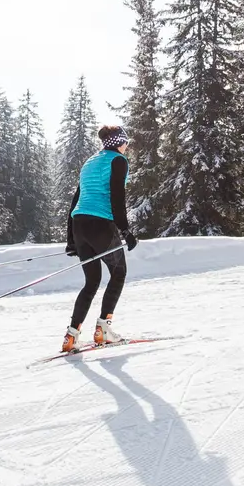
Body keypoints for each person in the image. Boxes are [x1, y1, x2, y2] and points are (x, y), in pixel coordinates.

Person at [61, 124, 139, 354]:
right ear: (119, 142)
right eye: (126, 142)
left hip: (79, 225)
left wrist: (71, 240)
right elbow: (117, 198)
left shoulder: (90, 162)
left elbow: (76, 201)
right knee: (119, 272)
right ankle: (103, 329)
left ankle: (71, 335)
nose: (127, 146)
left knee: (92, 281)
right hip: (100, 224)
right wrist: (125, 231)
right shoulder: (118, 161)